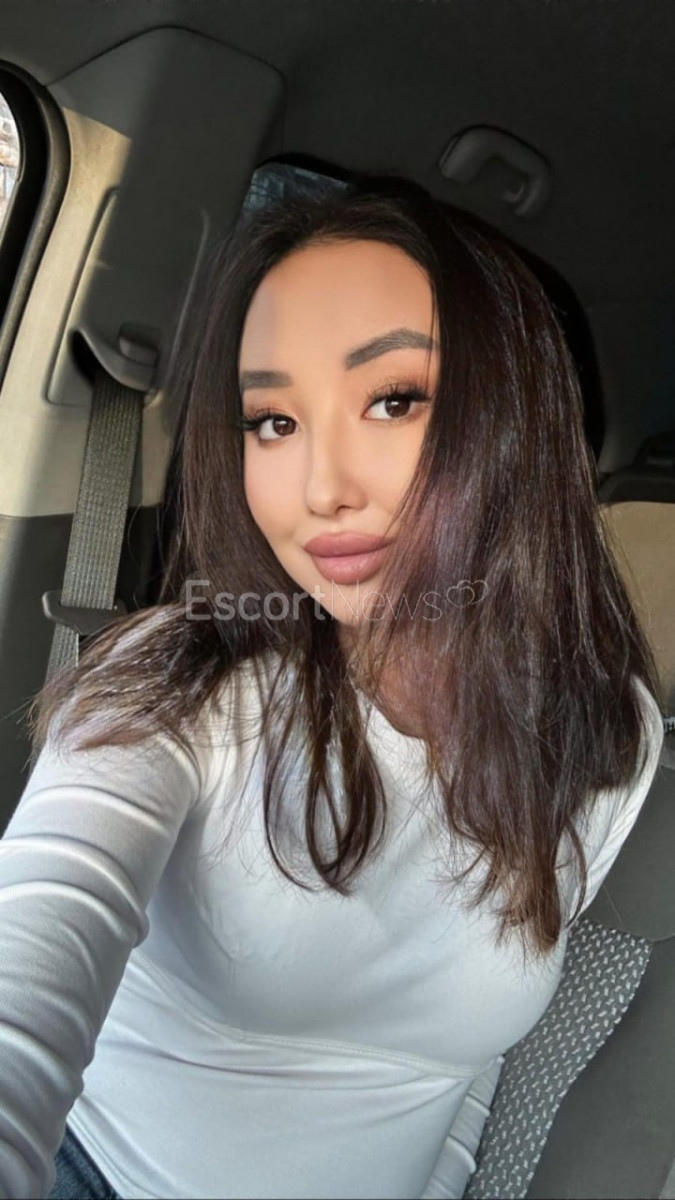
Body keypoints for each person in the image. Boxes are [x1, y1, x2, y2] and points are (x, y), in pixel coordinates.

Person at [0, 173, 665, 1200]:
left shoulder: (606, 735)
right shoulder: (176, 685)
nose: (320, 489)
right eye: (272, 421)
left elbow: (461, 1068)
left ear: (519, 425)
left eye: (394, 400)